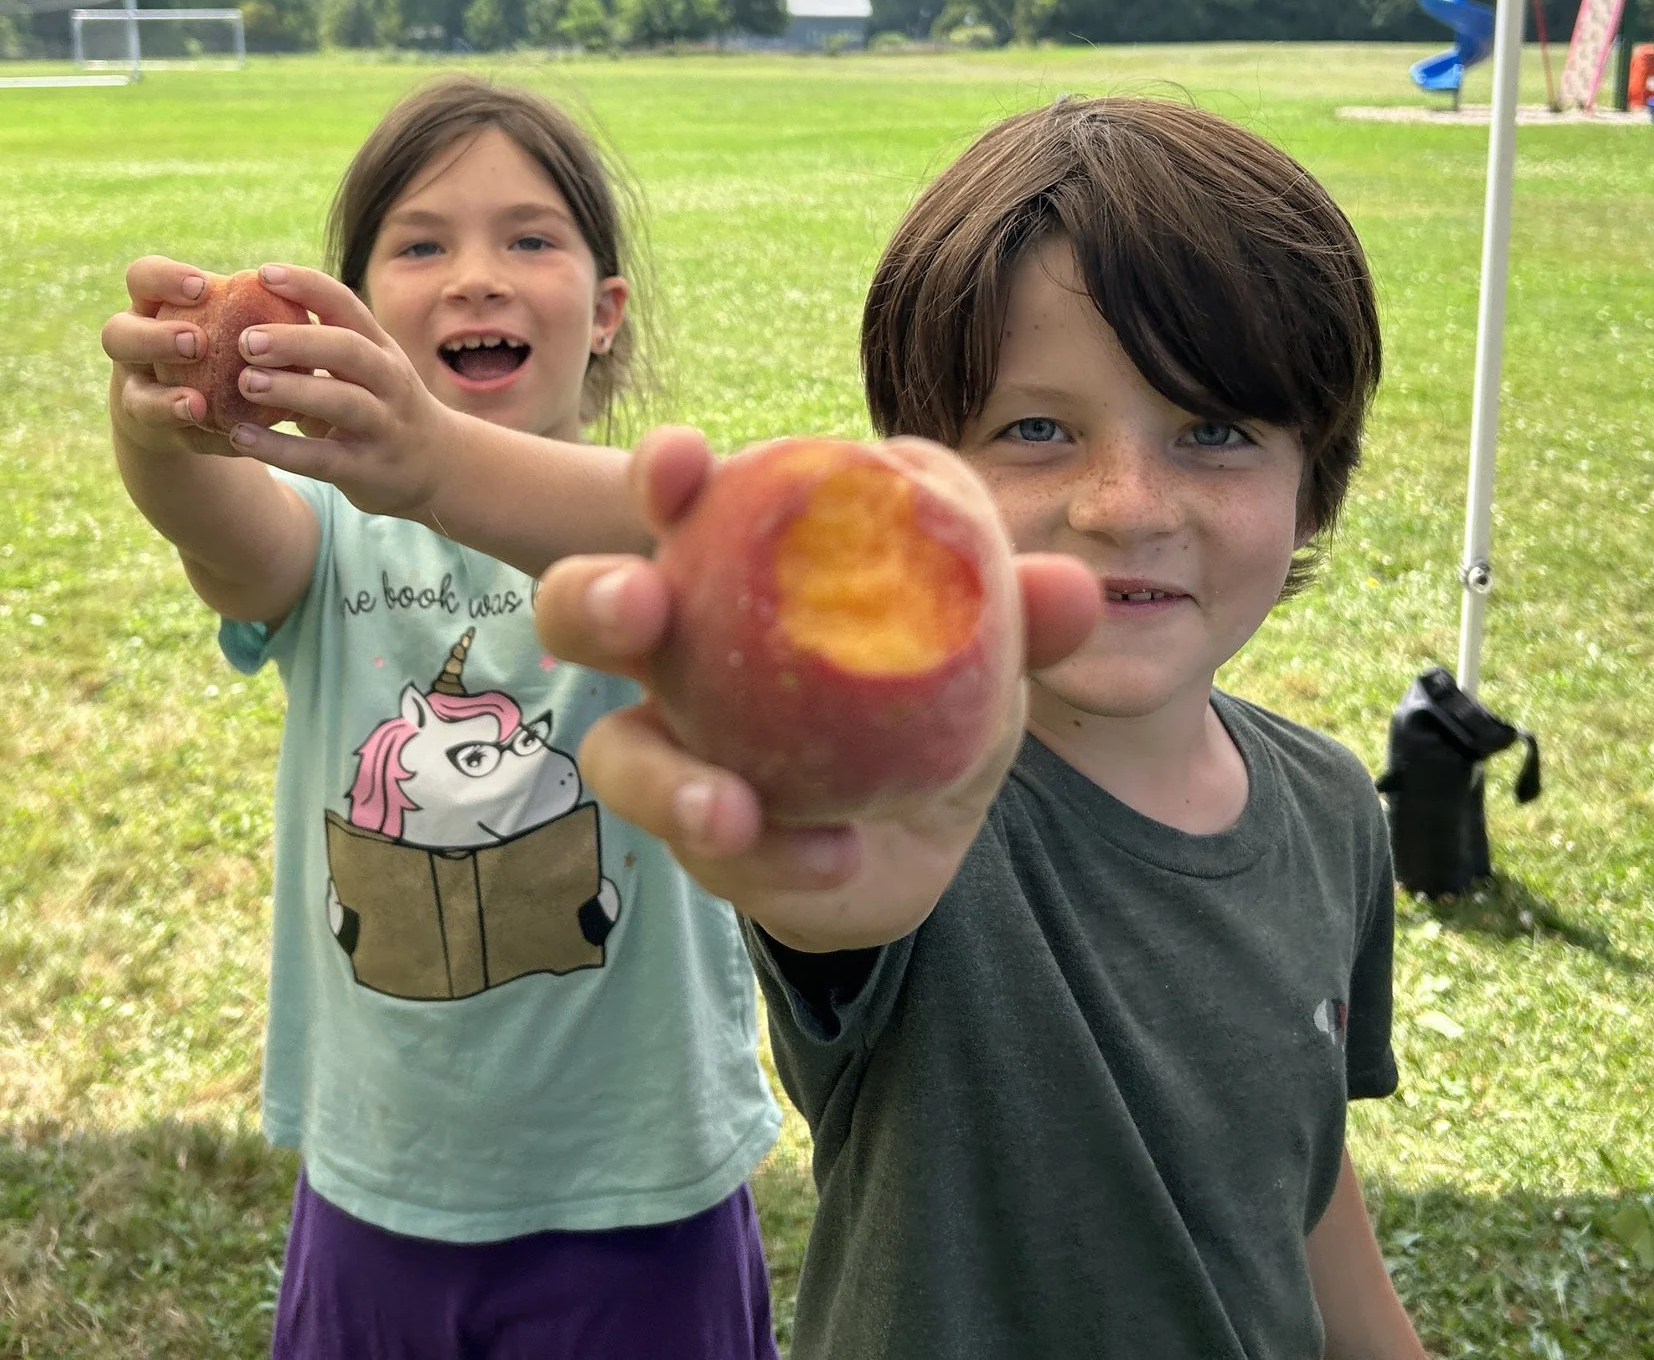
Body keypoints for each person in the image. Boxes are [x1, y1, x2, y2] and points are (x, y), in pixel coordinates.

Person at [539, 95, 1428, 1358]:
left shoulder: (1333, 808)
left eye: (1215, 430)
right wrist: (817, 857)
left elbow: (1297, 1161)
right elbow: (838, 901)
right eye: (1036, 429)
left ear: (1313, 472)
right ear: (924, 480)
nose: (1125, 504)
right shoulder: (913, 810)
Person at [100, 75, 780, 1360]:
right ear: (344, 313)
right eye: (420, 245)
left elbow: (747, 534)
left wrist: (439, 466)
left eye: (530, 238)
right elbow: (218, 532)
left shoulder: (656, 516)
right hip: (382, 1191)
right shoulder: (332, 542)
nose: (476, 276)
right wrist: (159, 429)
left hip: (644, 1194)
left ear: (604, 315)